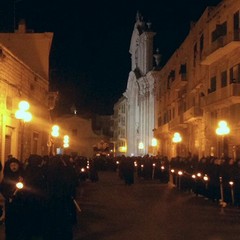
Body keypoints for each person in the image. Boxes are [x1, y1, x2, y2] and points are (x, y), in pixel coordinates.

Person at [0, 157, 25, 240]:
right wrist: (8, 196)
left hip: (20, 203)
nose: (14, 167)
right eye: (12, 165)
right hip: (10, 203)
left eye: (15, 165)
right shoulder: (6, 178)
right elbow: (3, 188)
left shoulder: (21, 177)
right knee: (10, 221)